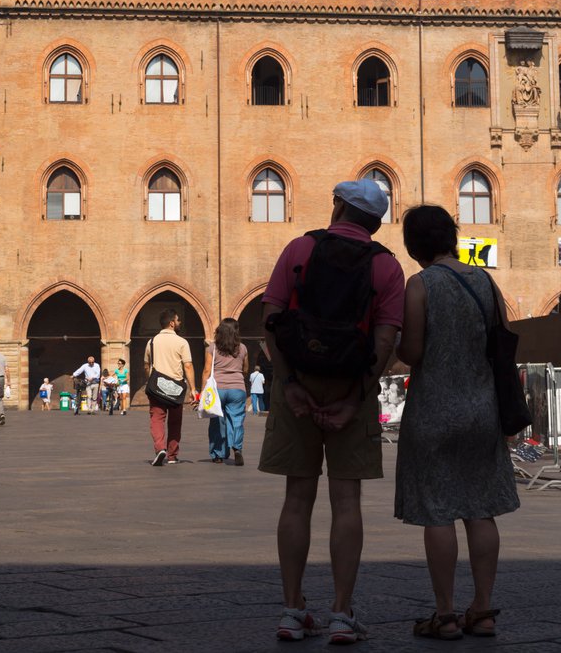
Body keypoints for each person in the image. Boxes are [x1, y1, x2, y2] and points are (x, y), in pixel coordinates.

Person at [260, 178, 405, 644]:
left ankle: (292, 609)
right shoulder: (386, 266)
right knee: (346, 502)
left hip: (297, 382)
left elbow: (270, 321)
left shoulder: (299, 249)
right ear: (375, 222)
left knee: (296, 498)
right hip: (351, 387)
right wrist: (354, 399)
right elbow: (386, 341)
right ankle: (341, 613)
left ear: (339, 206)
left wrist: (289, 385)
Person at [395, 205, 519, 640]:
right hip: (482, 410)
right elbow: (503, 341)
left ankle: (445, 615)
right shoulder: (486, 281)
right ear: (452, 236)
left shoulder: (420, 285)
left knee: (438, 511)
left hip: (433, 411)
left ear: (414, 245)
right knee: (481, 510)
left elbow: (412, 352)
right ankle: (482, 611)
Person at [143, 308, 197, 465]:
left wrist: (149, 380)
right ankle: (172, 455)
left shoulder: (151, 342)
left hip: (157, 387)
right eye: (178, 320)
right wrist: (193, 389)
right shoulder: (182, 342)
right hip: (175, 388)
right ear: (172, 323)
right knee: (175, 421)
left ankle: (160, 448)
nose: (180, 322)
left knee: (157, 419)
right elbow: (188, 366)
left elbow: (146, 365)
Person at [202, 317, 249, 465]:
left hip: (218, 389)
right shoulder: (242, 348)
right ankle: (237, 447)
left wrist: (203, 392)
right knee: (237, 420)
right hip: (237, 389)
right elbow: (245, 369)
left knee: (217, 422)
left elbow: (207, 371)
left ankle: (218, 454)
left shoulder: (212, 348)